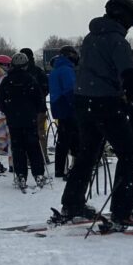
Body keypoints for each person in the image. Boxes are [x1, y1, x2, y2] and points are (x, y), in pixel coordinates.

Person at [57, 0, 133, 230]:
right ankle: (124, 211)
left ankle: (72, 204)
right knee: (128, 153)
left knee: (87, 154)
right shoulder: (117, 41)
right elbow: (129, 76)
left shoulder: (89, 38)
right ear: (126, 18)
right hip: (106, 103)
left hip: (83, 102)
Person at [0, 52, 49, 190]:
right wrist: (33, 111)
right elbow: (39, 99)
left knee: (18, 148)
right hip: (29, 119)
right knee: (34, 147)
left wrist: (8, 111)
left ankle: (21, 175)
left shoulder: (7, 80)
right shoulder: (30, 79)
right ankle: (38, 174)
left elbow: (0, 100)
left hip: (14, 120)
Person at [48, 45, 79, 178]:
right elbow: (70, 90)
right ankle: (75, 167)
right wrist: (77, 105)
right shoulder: (66, 70)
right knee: (74, 137)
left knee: (63, 139)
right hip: (68, 107)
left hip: (58, 106)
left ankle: (59, 169)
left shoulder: (55, 70)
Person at [19, 47, 51, 163]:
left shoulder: (19, 73)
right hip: (39, 107)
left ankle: (29, 157)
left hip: (24, 108)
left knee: (26, 133)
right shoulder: (38, 71)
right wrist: (40, 97)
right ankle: (43, 155)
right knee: (40, 131)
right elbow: (46, 88)